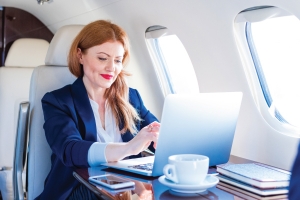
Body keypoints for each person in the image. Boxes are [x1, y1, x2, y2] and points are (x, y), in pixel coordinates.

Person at [37, 20, 160, 199]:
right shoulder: (58, 101)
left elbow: (157, 136)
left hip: (127, 189)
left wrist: (161, 138)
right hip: (77, 189)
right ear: (80, 55)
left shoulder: (131, 98)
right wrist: (127, 148)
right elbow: (70, 150)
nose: (111, 68)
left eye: (118, 60)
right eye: (102, 58)